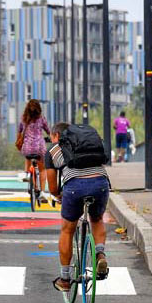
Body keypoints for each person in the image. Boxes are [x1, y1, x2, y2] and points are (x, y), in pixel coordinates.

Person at [45, 122, 111, 292]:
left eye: (52, 137)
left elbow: (53, 188)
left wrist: (60, 196)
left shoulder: (53, 150)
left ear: (57, 136)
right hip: (101, 183)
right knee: (96, 219)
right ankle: (100, 254)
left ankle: (65, 279)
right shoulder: (88, 144)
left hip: (75, 188)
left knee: (67, 229)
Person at [17, 99, 51, 201]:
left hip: (27, 148)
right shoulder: (41, 119)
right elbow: (48, 131)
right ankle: (41, 192)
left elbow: (19, 131)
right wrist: (51, 138)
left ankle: (27, 173)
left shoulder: (24, 119)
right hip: (39, 148)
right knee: (42, 169)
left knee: (28, 154)